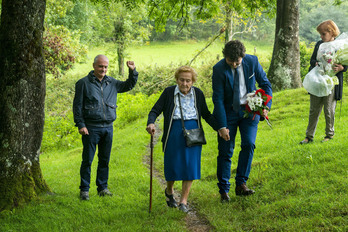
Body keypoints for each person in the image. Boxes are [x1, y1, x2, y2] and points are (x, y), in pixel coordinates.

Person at [146, 66, 218, 213]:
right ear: (177, 80)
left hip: (194, 133)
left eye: (188, 80)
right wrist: (151, 122)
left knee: (190, 167)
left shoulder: (197, 93)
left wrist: (220, 127)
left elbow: (206, 114)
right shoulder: (169, 92)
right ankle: (169, 190)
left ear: (192, 81)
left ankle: (183, 201)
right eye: (181, 80)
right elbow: (155, 110)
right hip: (174, 130)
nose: (184, 83)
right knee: (172, 165)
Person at [212, 40, 272, 202]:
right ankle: (224, 190)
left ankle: (241, 184)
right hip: (228, 113)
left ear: (242, 57)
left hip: (250, 111)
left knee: (249, 144)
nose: (233, 64)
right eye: (230, 61)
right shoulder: (218, 69)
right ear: (225, 57)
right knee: (226, 150)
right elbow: (217, 99)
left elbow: (265, 84)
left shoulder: (252, 61)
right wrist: (222, 125)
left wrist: (266, 106)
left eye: (237, 61)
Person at [73, 55, 138, 200]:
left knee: (104, 160)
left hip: (108, 127)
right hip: (91, 127)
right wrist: (81, 124)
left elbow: (128, 85)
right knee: (87, 160)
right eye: (100, 66)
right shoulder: (83, 83)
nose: (103, 69)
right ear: (94, 65)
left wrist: (133, 71)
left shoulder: (111, 82)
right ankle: (84, 190)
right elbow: (77, 106)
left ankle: (102, 188)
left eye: (106, 67)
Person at [300, 20, 347, 144]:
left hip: (332, 82)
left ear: (331, 32)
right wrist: (315, 63)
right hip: (317, 81)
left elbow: (345, 63)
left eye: (323, 34)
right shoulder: (319, 44)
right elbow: (312, 60)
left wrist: (342, 68)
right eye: (320, 34)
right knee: (314, 109)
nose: (321, 36)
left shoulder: (340, 45)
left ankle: (329, 135)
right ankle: (309, 136)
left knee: (329, 109)